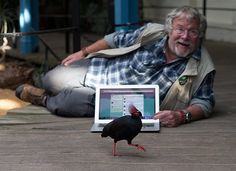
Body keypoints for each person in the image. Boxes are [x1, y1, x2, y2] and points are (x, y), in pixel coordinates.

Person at [15, 6, 215, 127]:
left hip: (121, 103)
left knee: (66, 105)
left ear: (200, 36)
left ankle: (42, 99)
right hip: (98, 70)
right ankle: (52, 90)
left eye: (193, 32)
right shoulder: (154, 33)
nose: (185, 36)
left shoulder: (202, 66)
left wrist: (182, 115)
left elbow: (205, 103)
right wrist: (82, 53)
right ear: (170, 29)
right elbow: (115, 39)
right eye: (180, 29)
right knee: (51, 78)